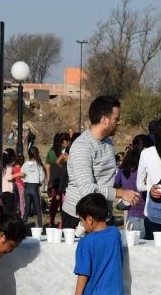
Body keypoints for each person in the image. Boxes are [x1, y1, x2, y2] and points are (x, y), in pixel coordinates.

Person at [63, 96, 140, 228]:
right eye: (116, 119)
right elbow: (87, 189)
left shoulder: (108, 142)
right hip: (80, 218)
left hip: (104, 215)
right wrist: (121, 193)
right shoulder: (83, 146)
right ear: (104, 120)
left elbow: (106, 179)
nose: (119, 122)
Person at [71, 193, 127, 295]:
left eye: (81, 221)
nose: (82, 225)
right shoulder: (115, 233)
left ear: (89, 220)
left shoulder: (86, 243)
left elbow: (83, 274)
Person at [115, 134, 154, 238]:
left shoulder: (125, 167)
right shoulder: (148, 169)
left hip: (131, 217)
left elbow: (115, 183)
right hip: (148, 218)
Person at [46, 132, 70, 227]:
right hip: (63, 180)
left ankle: (51, 222)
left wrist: (49, 180)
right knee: (63, 203)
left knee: (54, 203)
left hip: (54, 180)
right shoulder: (65, 152)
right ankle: (62, 222)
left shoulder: (50, 152)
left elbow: (48, 167)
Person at [21, 146, 46, 226]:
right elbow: (42, 177)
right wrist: (40, 183)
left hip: (27, 188)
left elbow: (22, 176)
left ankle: (22, 227)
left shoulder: (24, 165)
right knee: (38, 210)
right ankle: (40, 228)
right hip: (35, 188)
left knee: (27, 209)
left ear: (29, 154)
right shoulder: (38, 165)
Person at [1, 148, 17, 214]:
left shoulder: (1, 165)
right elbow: (8, 177)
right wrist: (18, 174)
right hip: (8, 191)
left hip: (1, 190)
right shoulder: (9, 166)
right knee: (9, 212)